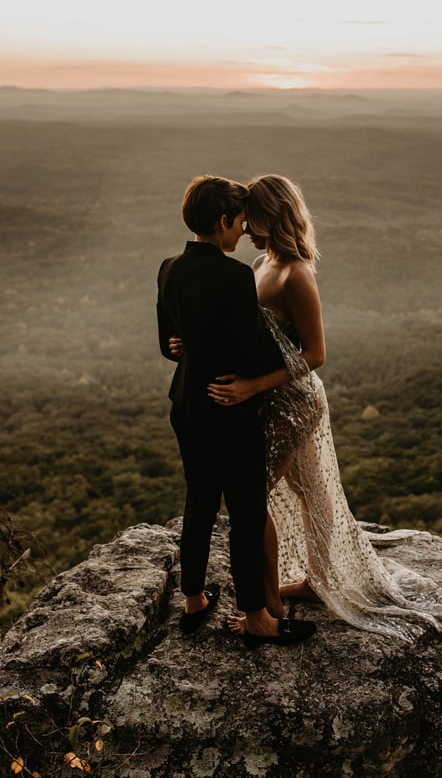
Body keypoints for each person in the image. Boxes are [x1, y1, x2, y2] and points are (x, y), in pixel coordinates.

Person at [206, 174, 442, 641]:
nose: (245, 229)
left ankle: (265, 609)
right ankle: (317, 580)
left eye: (254, 219)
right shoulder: (261, 263)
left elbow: (315, 354)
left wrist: (250, 388)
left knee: (253, 499)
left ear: (274, 215)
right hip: (272, 397)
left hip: (293, 402)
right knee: (310, 493)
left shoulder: (296, 273)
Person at [156, 175, 316, 647]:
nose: (243, 233)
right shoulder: (235, 275)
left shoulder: (167, 267)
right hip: (228, 404)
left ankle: (192, 601)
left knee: (199, 500)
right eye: (240, 223)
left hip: (185, 403)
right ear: (223, 221)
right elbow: (251, 351)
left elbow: (169, 342)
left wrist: (186, 345)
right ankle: (258, 617)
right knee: (246, 510)